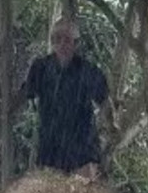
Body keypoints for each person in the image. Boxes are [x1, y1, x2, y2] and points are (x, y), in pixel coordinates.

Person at [20, 18, 114, 178]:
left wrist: (110, 127)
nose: (62, 44)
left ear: (76, 44)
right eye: (57, 39)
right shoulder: (40, 68)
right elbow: (25, 94)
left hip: (83, 148)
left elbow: (105, 102)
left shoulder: (89, 71)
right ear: (52, 42)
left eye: (67, 40)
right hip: (51, 148)